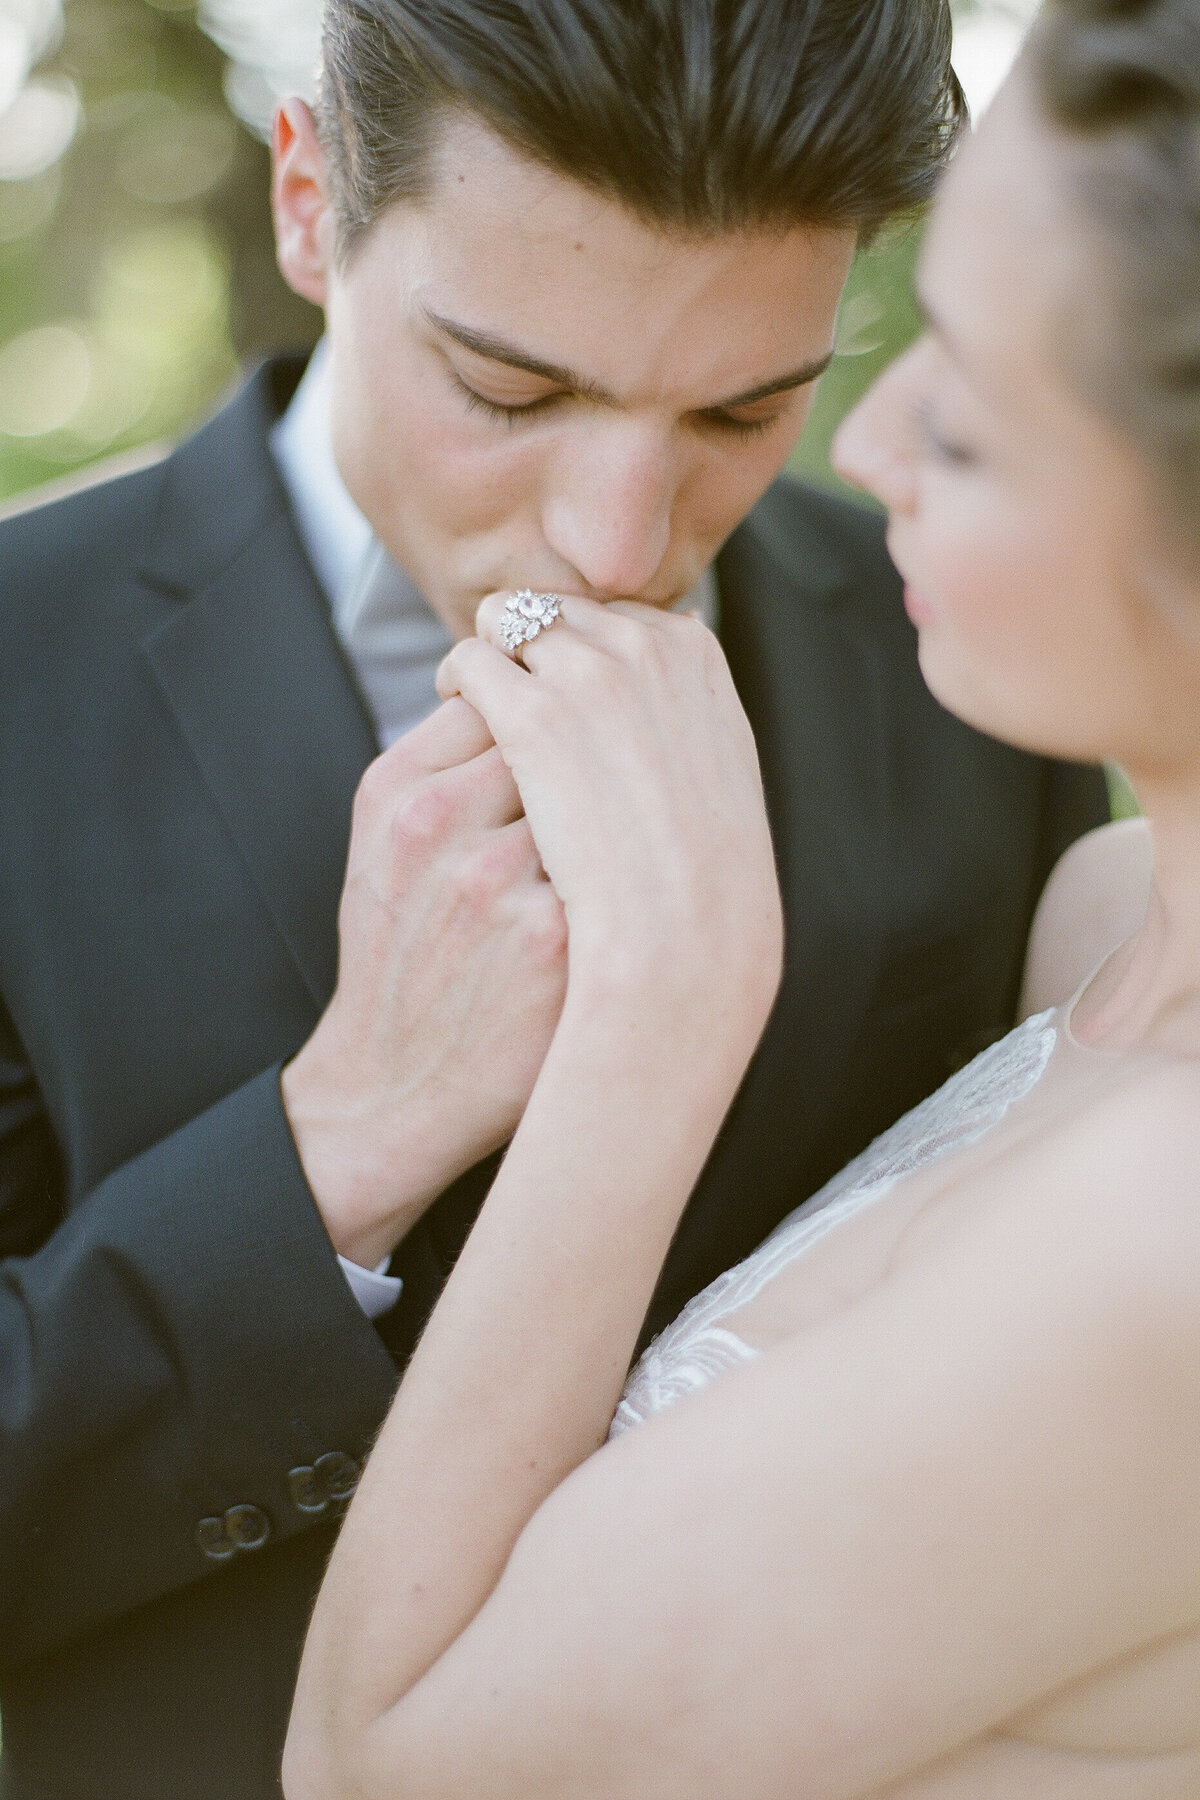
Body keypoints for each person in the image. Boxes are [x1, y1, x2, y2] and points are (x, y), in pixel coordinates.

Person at [0, 2, 1108, 1796]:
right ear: (309, 209)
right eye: (510, 392)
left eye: (745, 407)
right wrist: (337, 1139)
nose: (614, 540)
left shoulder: (959, 674)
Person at [280, 0, 1200, 1792]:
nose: (866, 453)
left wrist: (661, 1005)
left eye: (971, 403)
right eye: (510, 387)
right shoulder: (1106, 914)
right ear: (311, 209)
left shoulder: (1168, 1236)